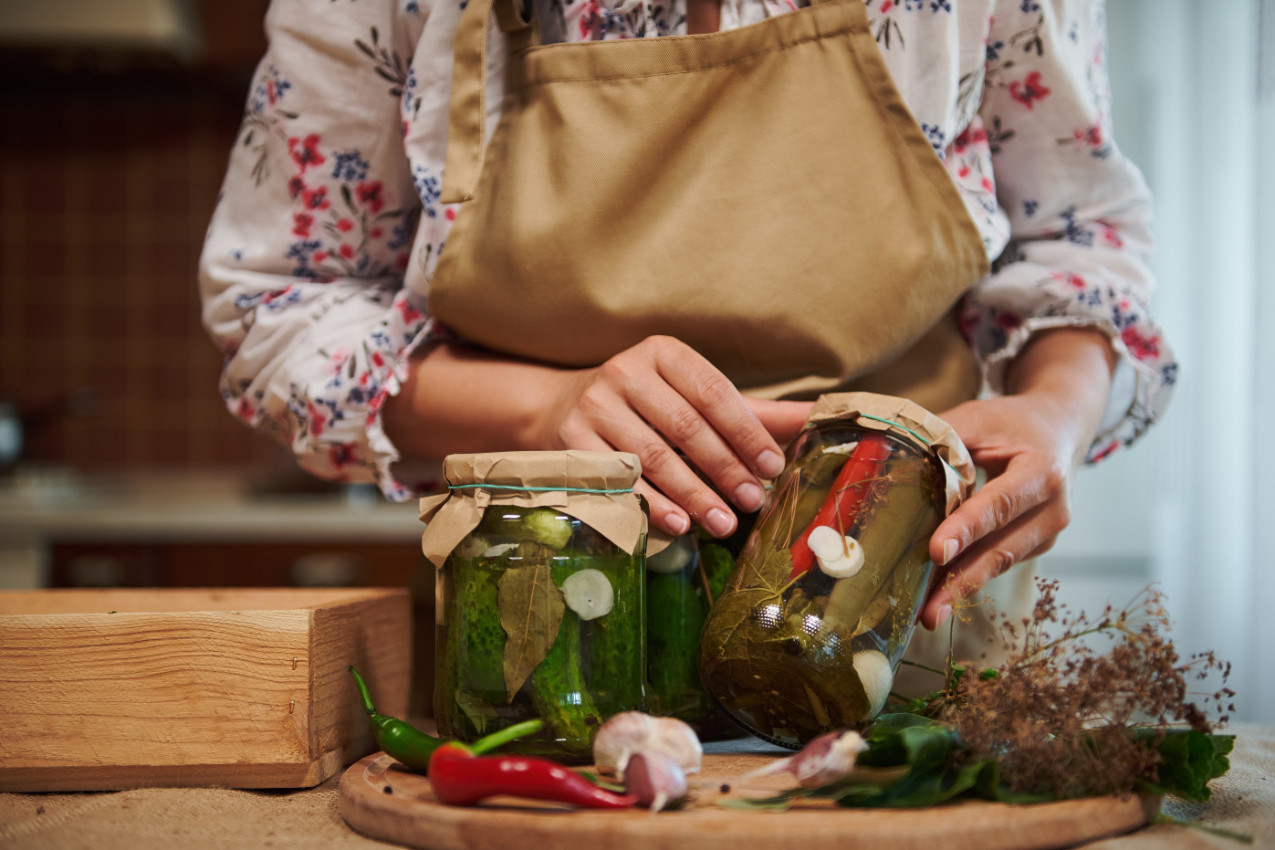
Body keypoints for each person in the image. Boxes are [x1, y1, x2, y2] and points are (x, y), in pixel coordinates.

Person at [199, 0, 1175, 637]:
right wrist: (547, 412)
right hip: (536, 663)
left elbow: (1081, 242)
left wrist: (1055, 408)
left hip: (904, 640)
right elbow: (279, 307)